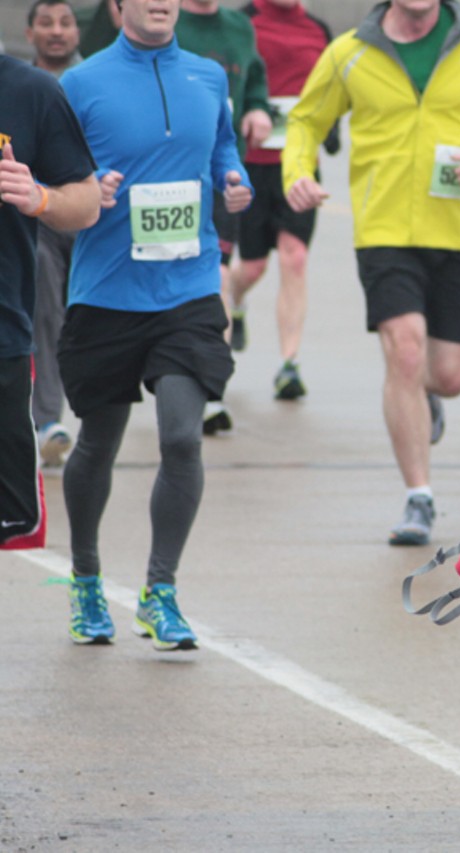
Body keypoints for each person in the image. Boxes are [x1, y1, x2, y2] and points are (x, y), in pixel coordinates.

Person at [283, 0, 460, 546]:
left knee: (450, 375)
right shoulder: (350, 52)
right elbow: (304, 120)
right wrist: (297, 171)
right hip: (385, 230)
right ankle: (420, 496)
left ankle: (426, 398)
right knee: (406, 349)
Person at [58, 0, 254, 649]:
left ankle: (160, 590)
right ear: (117, 8)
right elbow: (54, 179)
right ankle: (86, 579)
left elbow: (223, 145)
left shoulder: (207, 75)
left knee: (182, 438)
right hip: (108, 291)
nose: (163, 1)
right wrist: (89, 190)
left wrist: (233, 178)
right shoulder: (79, 85)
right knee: (98, 442)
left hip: (187, 288)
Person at [0, 54, 99, 551]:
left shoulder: (31, 92)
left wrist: (39, 198)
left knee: (7, 519)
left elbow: (86, 200)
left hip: (3, 340)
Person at [226, 0, 338, 401]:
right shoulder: (241, 23)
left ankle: (289, 364)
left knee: (295, 256)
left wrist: (331, 132)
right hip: (250, 164)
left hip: (299, 166)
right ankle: (236, 302)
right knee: (252, 267)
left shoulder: (318, 30)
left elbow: (331, 88)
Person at [174, 0, 271, 434]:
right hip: (168, 174)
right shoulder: (162, 18)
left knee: (217, 279)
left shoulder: (239, 27)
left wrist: (257, 109)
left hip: (221, 176)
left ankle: (211, 389)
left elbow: (254, 81)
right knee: (172, 280)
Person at [25, 0, 83, 468]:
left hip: (92, 215)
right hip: (40, 219)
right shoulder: (19, 89)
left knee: (85, 319)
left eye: (65, 22)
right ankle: (48, 419)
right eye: (46, 23)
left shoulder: (95, 83)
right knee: (46, 306)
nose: (57, 32)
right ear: (30, 34)